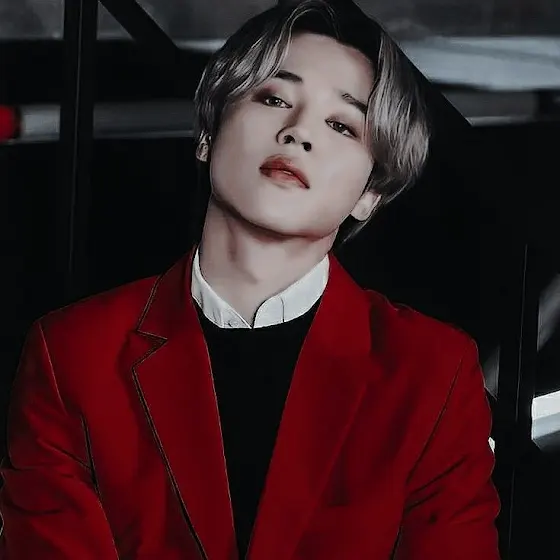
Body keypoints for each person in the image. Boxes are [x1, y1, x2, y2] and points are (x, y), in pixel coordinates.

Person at [0, 0, 500, 558]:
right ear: (208, 133)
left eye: (341, 124)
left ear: (370, 194)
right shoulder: (71, 354)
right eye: (274, 98)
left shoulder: (431, 372)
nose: (298, 132)